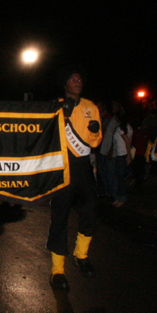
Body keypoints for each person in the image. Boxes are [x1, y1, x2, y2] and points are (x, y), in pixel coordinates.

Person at [47, 69, 102, 290]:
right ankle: (57, 271)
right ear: (65, 84)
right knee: (60, 217)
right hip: (61, 167)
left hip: (83, 166)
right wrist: (61, 114)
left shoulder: (91, 107)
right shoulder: (54, 105)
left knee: (91, 209)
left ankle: (81, 256)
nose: (78, 82)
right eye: (73, 79)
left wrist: (95, 132)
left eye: (80, 79)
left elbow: (95, 143)